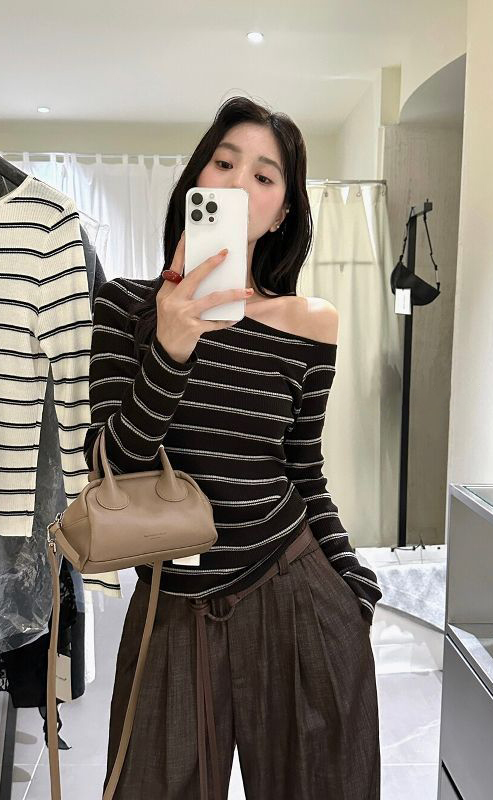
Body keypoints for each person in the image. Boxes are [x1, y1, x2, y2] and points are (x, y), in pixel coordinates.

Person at [83, 95, 382, 800]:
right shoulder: (124, 307)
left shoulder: (309, 324)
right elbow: (109, 468)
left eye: (264, 175)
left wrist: (353, 589)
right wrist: (168, 349)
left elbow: (304, 470)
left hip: (292, 588)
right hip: (171, 607)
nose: (239, 182)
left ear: (282, 213)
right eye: (224, 163)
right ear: (198, 181)